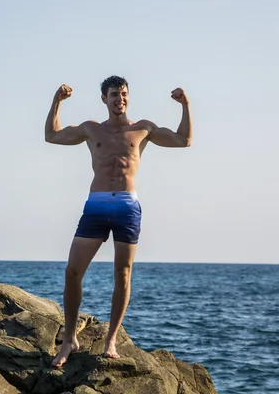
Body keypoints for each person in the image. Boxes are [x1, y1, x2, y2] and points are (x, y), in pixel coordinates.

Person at [45, 76, 192, 367]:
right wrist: (56, 102)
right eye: (114, 94)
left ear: (128, 97)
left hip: (127, 205)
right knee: (73, 271)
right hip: (96, 204)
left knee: (122, 274)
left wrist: (185, 105)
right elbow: (52, 135)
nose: (119, 99)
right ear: (104, 99)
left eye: (123, 94)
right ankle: (69, 339)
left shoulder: (143, 129)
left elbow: (184, 140)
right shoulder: (90, 129)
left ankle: (111, 339)